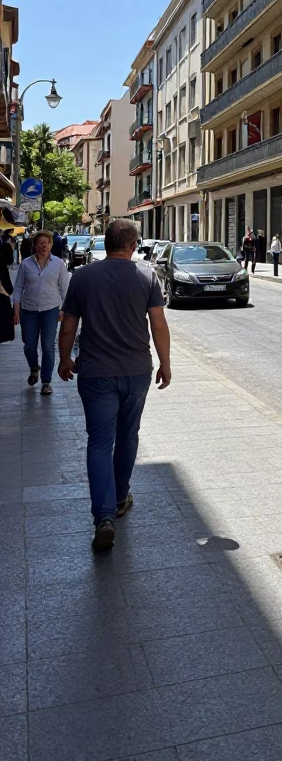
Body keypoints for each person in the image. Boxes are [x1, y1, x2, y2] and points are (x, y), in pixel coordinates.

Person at [58, 218, 172, 553]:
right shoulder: (146, 275)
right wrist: (165, 364)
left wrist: (65, 360)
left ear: (106, 243)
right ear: (134, 245)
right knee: (128, 435)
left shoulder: (83, 277)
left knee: (99, 441)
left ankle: (104, 517)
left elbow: (68, 327)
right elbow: (159, 324)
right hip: (136, 370)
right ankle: (121, 497)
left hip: (95, 372)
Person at [12, 229, 70, 395]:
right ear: (35, 245)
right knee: (29, 345)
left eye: (47, 243)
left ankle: (46, 381)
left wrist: (64, 309)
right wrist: (16, 308)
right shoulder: (26, 264)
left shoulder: (58, 264)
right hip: (28, 310)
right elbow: (18, 287)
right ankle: (34, 368)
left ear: (51, 245)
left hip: (50, 309)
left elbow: (65, 289)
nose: (44, 246)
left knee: (47, 346)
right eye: (40, 243)